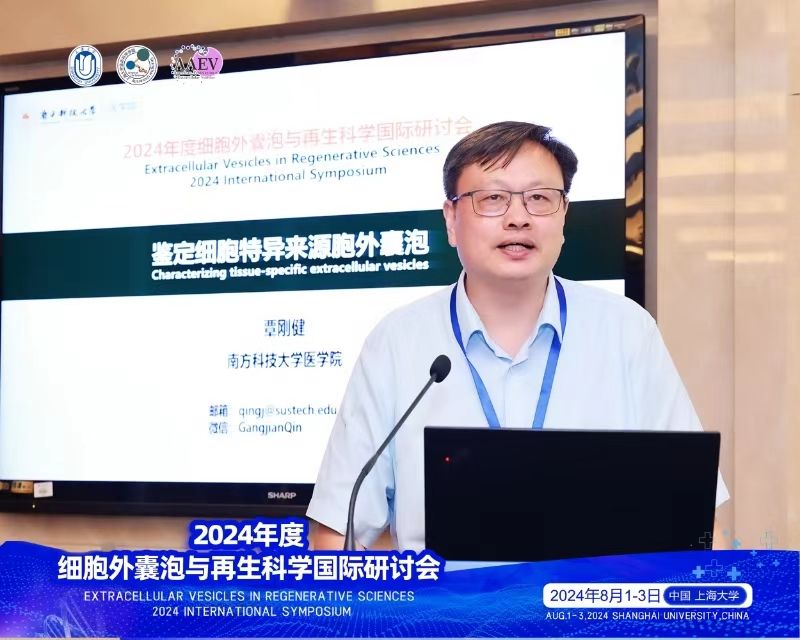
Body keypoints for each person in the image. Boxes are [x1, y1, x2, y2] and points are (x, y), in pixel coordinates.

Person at [306, 121, 729, 551]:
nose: (518, 218)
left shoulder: (626, 331)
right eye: (493, 199)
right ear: (451, 219)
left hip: (592, 594)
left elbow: (696, 518)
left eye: (540, 198)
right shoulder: (397, 341)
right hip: (441, 595)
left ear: (564, 216)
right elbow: (336, 532)